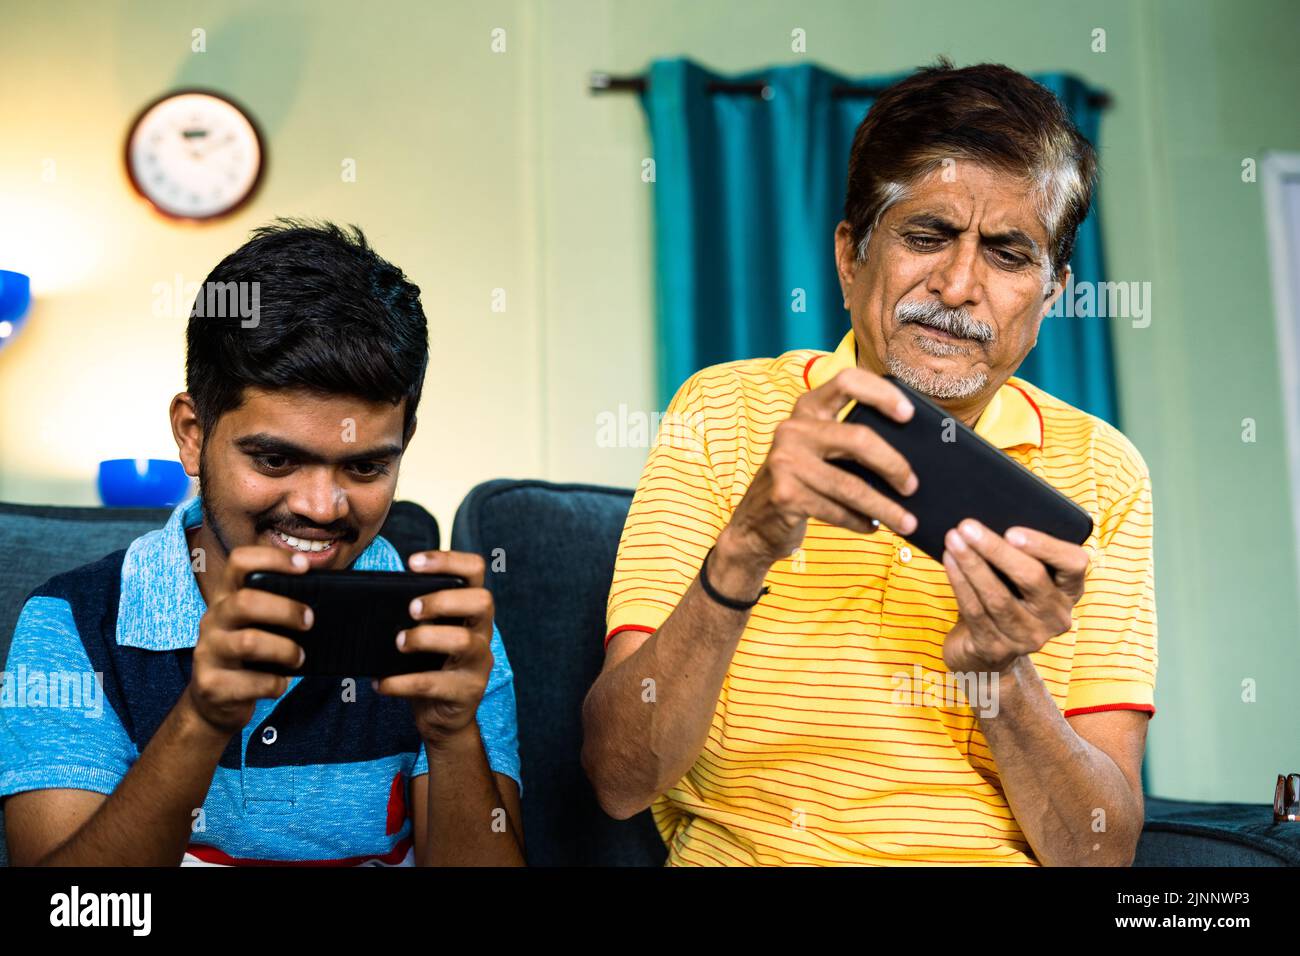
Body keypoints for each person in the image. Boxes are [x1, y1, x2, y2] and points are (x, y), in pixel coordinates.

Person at [582, 60, 1156, 866]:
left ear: (1051, 295)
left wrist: (999, 672)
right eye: (927, 236)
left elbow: (1100, 853)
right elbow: (617, 777)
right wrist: (745, 548)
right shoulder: (719, 410)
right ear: (852, 257)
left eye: (1006, 254)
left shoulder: (1106, 470)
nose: (959, 285)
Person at [0, 220, 523, 865]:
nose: (319, 507)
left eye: (365, 468)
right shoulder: (70, 627)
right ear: (192, 434)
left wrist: (451, 738)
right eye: (275, 461)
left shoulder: (439, 629)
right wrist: (201, 718)